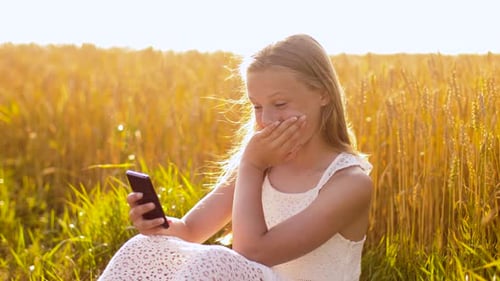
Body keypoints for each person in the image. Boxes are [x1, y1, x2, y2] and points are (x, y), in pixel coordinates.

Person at [98, 34, 373, 281]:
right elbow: (192, 230)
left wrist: (252, 165)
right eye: (257, 106)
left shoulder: (349, 183)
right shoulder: (264, 164)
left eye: (280, 104)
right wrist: (158, 224)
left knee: (215, 260)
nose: (266, 119)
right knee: (144, 246)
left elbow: (251, 252)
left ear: (323, 94)